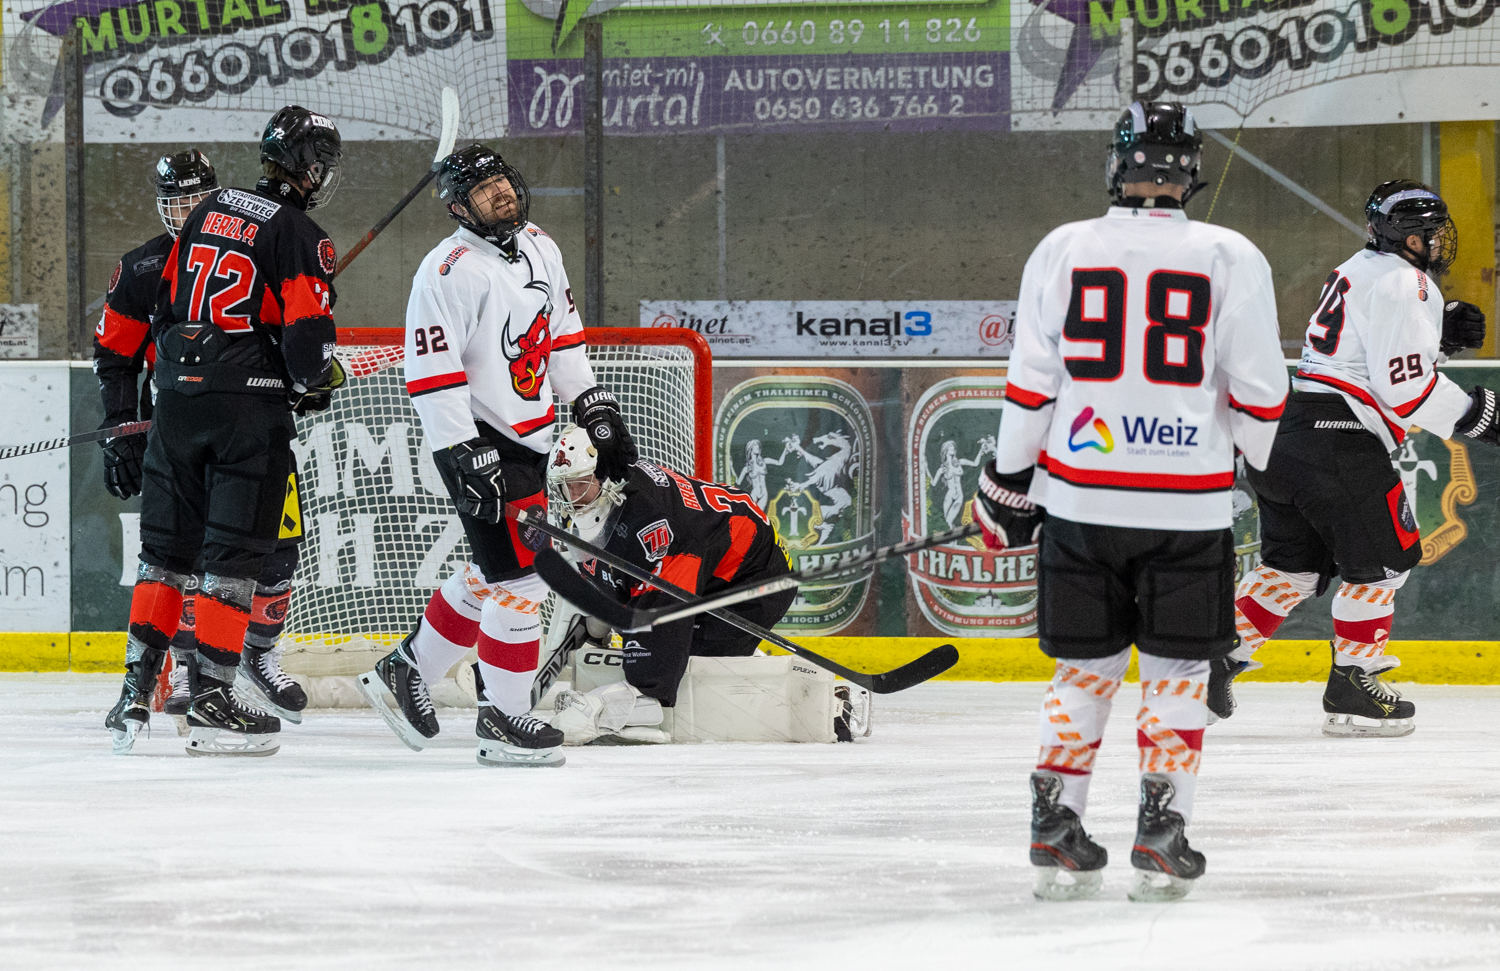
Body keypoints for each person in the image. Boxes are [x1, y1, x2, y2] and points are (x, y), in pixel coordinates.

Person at [971, 102, 1288, 903]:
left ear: (1117, 166)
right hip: (1188, 509)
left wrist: (1008, 481)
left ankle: (1055, 822)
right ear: (1191, 173)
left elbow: (1031, 381)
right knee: (1178, 670)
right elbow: (1262, 391)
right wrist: (1248, 455)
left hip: (1081, 502)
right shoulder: (1231, 254)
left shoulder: (1062, 247)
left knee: (1083, 666)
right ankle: (1162, 829)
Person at [360, 144, 638, 768]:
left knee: (493, 571)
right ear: (460, 208)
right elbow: (433, 375)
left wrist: (590, 402)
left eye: (502, 182)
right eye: (483, 191)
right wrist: (464, 452)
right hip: (479, 442)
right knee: (523, 578)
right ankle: (503, 717)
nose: (500, 195)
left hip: (530, 440)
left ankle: (406, 669)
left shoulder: (540, 244)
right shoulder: (447, 272)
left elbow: (562, 337)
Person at [1218, 180, 1491, 736]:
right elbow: (1406, 389)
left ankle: (1211, 664)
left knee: (1291, 569)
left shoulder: (1357, 268)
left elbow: (1366, 356)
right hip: (1339, 442)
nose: (1439, 242)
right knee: (1385, 563)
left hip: (1287, 434)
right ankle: (1353, 684)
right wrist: (1481, 416)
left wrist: (1437, 338)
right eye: (1431, 233)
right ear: (1409, 238)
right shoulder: (1406, 281)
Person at [119, 105, 344, 758]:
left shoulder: (211, 208)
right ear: (309, 169)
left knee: (164, 553)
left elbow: (169, 307)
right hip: (244, 413)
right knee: (233, 556)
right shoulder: (302, 234)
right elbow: (308, 351)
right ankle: (214, 696)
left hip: (176, 402)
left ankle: (133, 691)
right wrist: (313, 378)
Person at [543, 425, 804, 740]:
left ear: (605, 477)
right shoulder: (611, 494)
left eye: (579, 485)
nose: (571, 498)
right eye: (564, 487)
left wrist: (647, 685)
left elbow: (664, 602)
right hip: (710, 559)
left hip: (753, 577)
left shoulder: (656, 525)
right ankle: (736, 658)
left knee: (687, 666)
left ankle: (804, 698)